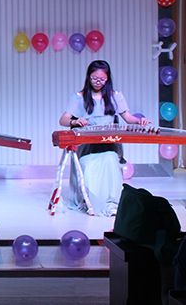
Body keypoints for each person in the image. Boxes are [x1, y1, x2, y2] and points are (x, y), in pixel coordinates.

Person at [58, 60, 149, 216]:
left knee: (110, 160)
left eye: (102, 79)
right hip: (87, 146)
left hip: (108, 145)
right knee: (88, 166)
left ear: (107, 79)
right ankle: (91, 201)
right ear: (88, 77)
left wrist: (140, 121)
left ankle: (111, 203)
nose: (97, 82)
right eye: (94, 78)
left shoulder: (115, 96)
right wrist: (75, 121)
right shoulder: (79, 97)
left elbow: (128, 117)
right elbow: (63, 120)